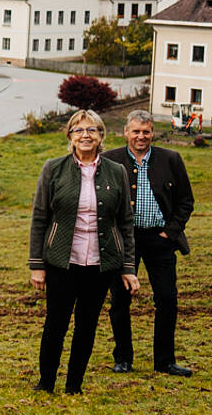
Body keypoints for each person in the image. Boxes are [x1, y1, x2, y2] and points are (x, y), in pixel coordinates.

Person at [29, 110, 141, 395]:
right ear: (70, 136)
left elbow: (126, 222)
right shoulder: (53, 168)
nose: (85, 136)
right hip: (61, 262)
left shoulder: (117, 172)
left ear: (101, 135)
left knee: (87, 325)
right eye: (79, 131)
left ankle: (74, 384)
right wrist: (37, 265)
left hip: (101, 265)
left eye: (92, 130)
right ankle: (46, 382)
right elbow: (40, 217)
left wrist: (128, 267)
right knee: (55, 324)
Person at [104, 110, 196, 376]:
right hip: (125, 241)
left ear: (152, 132)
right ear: (126, 133)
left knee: (167, 299)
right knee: (120, 300)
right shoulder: (111, 160)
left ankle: (165, 361)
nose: (141, 136)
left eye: (145, 131)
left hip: (160, 239)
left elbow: (185, 201)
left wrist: (171, 232)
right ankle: (123, 358)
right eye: (136, 131)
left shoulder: (171, 160)